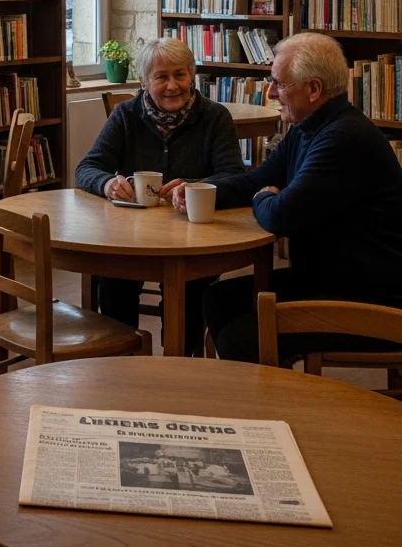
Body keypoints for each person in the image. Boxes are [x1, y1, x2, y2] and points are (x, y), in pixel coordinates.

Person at [171, 31, 402, 362]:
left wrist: (264, 198)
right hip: (328, 281)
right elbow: (257, 181)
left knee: (242, 338)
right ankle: (261, 386)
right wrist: (198, 188)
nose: (270, 92)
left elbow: (280, 215)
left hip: (369, 298)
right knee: (218, 299)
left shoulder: (343, 138)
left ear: (313, 89)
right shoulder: (309, 128)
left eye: (279, 83)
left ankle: (271, 394)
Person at [75, 37, 245, 354]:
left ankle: (180, 363)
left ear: (191, 75)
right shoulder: (126, 115)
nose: (172, 86)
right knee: (113, 285)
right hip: (131, 238)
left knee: (191, 293)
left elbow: (233, 175)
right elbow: (87, 167)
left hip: (193, 237)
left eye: (180, 75)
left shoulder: (214, 117)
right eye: (161, 77)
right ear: (144, 81)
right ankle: (122, 361)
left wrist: (192, 185)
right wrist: (107, 183)